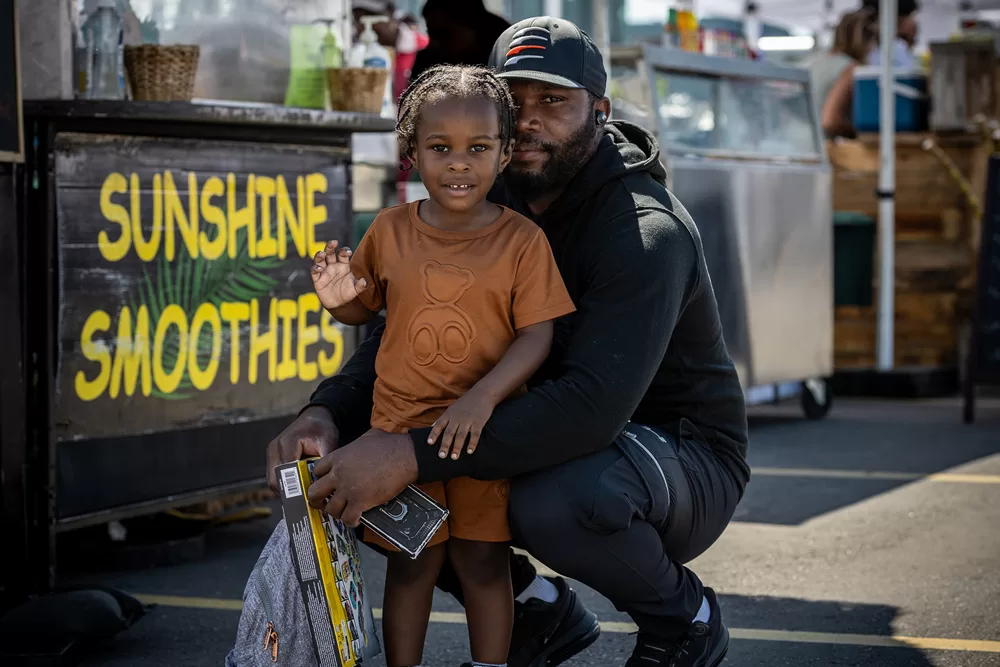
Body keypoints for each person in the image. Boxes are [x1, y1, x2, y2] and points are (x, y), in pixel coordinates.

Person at [267, 17, 749, 667]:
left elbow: (590, 405)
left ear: (599, 112)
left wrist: (410, 454)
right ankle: (533, 610)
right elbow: (396, 334)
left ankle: (683, 617)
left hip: (679, 455)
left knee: (548, 496)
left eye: (553, 101)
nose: (528, 120)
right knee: (359, 475)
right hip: (553, 430)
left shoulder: (644, 230)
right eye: (512, 101)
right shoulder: (489, 206)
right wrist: (325, 414)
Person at [311, 64, 576, 667]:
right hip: (397, 433)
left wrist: (482, 398)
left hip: (482, 433)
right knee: (413, 565)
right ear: (411, 153)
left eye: (478, 148)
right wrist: (339, 301)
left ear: (505, 153)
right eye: (441, 148)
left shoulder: (522, 241)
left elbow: (538, 336)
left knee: (483, 564)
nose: (460, 163)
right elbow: (367, 312)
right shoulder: (389, 230)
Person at [804, 8, 878, 138]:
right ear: (866, 41)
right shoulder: (852, 69)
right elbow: (829, 121)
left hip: (800, 144)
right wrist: (855, 131)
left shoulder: (813, 61)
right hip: (825, 147)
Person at [410, 0, 511, 81]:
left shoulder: (505, 55)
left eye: (443, 33)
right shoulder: (427, 60)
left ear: (472, 26)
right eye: (431, 32)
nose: (435, 42)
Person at [863, 0, 920, 68]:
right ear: (901, 20)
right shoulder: (897, 48)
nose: (915, 23)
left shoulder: (872, 47)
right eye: (912, 17)